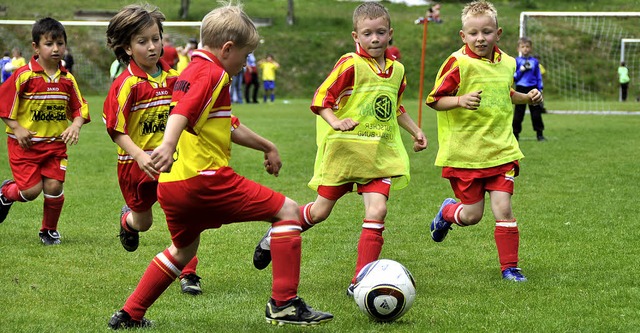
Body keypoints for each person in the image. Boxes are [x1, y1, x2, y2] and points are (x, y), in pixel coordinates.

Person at [107, 3, 333, 329]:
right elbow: (181, 112)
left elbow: (226, 124)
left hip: (172, 185)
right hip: (205, 179)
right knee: (287, 211)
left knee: (181, 253)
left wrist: (267, 145)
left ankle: (129, 315)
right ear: (227, 49)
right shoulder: (212, 74)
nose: (245, 64)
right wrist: (168, 144)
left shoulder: (186, 72)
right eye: (244, 55)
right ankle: (284, 304)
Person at [252, 1, 427, 296]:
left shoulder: (397, 70)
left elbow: (393, 106)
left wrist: (415, 130)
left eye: (380, 32)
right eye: (367, 33)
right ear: (355, 36)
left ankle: (361, 280)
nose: (374, 39)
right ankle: (275, 233)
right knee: (320, 212)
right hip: (345, 152)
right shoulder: (350, 64)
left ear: (390, 33)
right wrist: (335, 121)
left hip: (378, 155)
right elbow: (322, 97)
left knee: (378, 209)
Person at [425, 0, 542, 283]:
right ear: (463, 36)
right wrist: (460, 100)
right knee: (472, 216)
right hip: (467, 153)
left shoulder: (508, 63)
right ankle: (447, 212)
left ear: (498, 33)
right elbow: (435, 100)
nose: (481, 38)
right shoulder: (458, 63)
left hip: (502, 149)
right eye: (474, 33)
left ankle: (510, 268)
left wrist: (526, 97)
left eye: (487, 32)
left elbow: (504, 91)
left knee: (503, 208)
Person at [103, 3, 203, 296]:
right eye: (142, 41)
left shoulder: (175, 80)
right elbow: (116, 130)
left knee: (184, 213)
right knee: (144, 222)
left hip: (171, 162)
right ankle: (128, 221)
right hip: (134, 164)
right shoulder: (127, 84)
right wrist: (140, 155)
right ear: (128, 48)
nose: (152, 46)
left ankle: (189, 273)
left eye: (156, 38)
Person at [0, 17, 91, 245]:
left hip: (54, 146)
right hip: (25, 146)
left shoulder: (68, 79)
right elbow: (3, 103)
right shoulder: (24, 76)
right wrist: (17, 128)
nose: (56, 49)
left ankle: (49, 230)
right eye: (49, 44)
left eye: (60, 43)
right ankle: (5, 193)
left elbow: (80, 107)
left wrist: (76, 124)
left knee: (53, 186)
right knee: (29, 192)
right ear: (36, 47)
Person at [512, 37, 545, 141]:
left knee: (536, 113)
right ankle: (515, 134)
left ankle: (539, 134)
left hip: (533, 88)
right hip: (520, 88)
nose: (525, 49)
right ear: (518, 49)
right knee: (518, 113)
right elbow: (514, 77)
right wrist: (521, 70)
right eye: (523, 47)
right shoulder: (516, 61)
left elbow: (538, 76)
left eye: (527, 47)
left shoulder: (535, 62)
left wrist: (540, 88)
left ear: (531, 48)